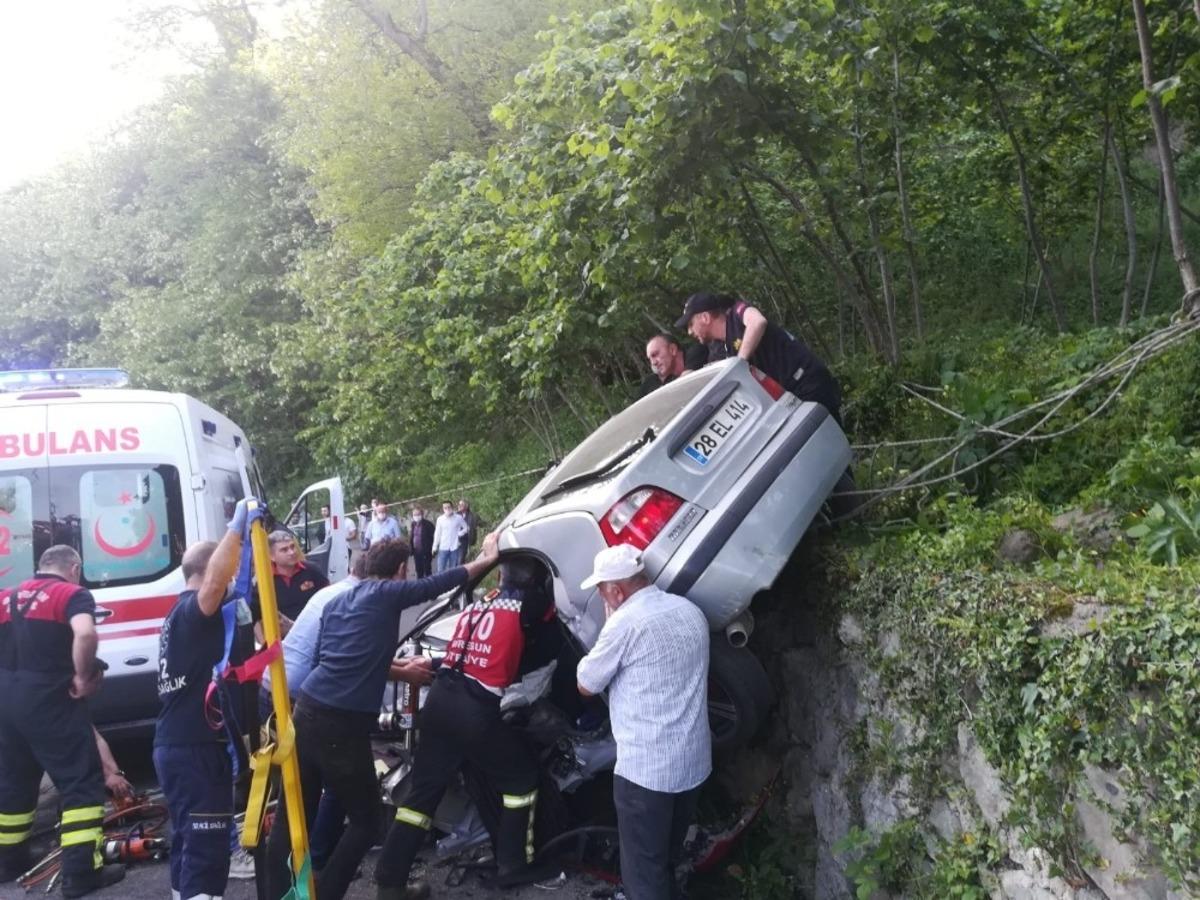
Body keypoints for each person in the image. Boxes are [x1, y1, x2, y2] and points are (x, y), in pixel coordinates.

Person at [264, 535, 500, 900]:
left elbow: (341, 658)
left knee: (295, 815)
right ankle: (328, 894)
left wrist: (402, 669)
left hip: (307, 711)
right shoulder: (387, 593)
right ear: (401, 570)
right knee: (367, 821)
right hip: (340, 725)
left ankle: (276, 895)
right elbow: (440, 582)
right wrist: (487, 559)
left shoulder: (339, 600)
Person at [376, 556, 561, 898]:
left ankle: (389, 882)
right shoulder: (529, 606)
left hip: (440, 702)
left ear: (501, 576)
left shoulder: (482, 603)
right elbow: (546, 645)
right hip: (475, 712)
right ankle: (514, 863)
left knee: (421, 796)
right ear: (538, 583)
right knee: (521, 780)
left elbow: (468, 652)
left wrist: (431, 661)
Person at [258, 555, 433, 872]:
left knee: (303, 803)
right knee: (344, 801)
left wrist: (400, 666)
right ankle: (322, 866)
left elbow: (351, 657)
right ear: (393, 575)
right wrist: (406, 672)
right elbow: (353, 662)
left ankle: (305, 870)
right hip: (301, 697)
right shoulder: (362, 601)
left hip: (292, 692)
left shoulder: (338, 594)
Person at [576, 545, 711, 900]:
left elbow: (586, 684)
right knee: (667, 857)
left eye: (601, 590)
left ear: (616, 591)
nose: (601, 597)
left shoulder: (624, 624)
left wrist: (610, 624)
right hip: (693, 764)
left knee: (644, 872)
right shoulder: (690, 610)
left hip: (646, 774)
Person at [0, 545, 126, 897]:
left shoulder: (7, 597)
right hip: (50, 702)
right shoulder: (71, 594)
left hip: (7, 703)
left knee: (13, 782)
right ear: (75, 568)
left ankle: (8, 861)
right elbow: (85, 633)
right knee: (80, 782)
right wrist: (83, 676)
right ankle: (82, 873)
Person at [154, 498, 259, 900]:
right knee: (206, 851)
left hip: (179, 744)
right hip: (193, 749)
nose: (230, 579)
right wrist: (237, 528)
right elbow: (214, 584)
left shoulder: (177, 616)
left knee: (188, 842)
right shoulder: (190, 613)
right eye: (227, 570)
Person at [677, 291, 842, 423]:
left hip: (806, 380)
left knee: (828, 436)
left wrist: (739, 362)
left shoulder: (738, 313)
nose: (690, 332)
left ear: (705, 318)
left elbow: (758, 322)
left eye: (691, 324)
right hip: (788, 397)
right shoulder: (720, 349)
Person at [250, 530, 329, 641]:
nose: (291, 552)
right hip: (286, 641)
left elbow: (330, 599)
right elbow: (254, 616)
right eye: (284, 550)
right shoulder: (265, 582)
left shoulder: (311, 570)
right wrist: (264, 642)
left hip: (317, 633)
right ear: (271, 556)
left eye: (292, 547)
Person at [638, 334, 709, 399]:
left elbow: (686, 380)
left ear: (672, 350)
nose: (653, 362)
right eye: (650, 359)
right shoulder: (650, 383)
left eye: (655, 355)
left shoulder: (697, 353)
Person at [432, 501, 468, 574]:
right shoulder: (440, 519)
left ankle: (451, 581)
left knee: (452, 570)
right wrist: (434, 547)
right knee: (440, 570)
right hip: (443, 547)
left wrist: (460, 533)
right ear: (443, 509)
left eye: (449, 507)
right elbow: (437, 534)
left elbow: (466, 528)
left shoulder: (458, 518)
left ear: (452, 507)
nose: (447, 509)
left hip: (454, 548)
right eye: (445, 508)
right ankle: (441, 581)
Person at [408, 507, 435, 579]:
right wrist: (411, 548)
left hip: (426, 551)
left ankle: (430, 584)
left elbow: (433, 538)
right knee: (418, 569)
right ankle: (419, 584)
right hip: (416, 551)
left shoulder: (428, 524)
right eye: (414, 514)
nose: (416, 516)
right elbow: (412, 537)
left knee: (427, 570)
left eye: (418, 514)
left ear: (422, 514)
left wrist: (432, 550)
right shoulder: (413, 524)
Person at [455, 499, 479, 565]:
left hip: (466, 541)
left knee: (460, 560)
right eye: (459, 504)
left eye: (461, 504)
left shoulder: (473, 516)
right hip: (455, 541)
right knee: (454, 561)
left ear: (467, 506)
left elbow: (482, 524)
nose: (459, 506)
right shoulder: (455, 516)